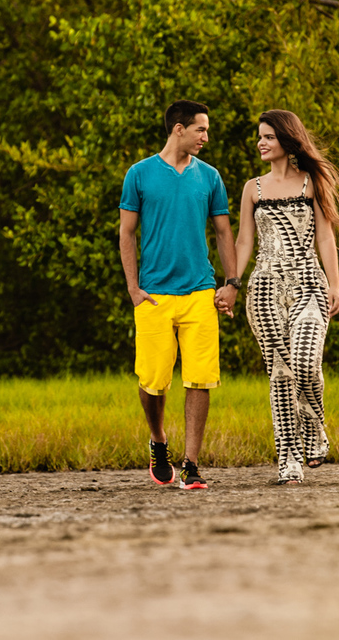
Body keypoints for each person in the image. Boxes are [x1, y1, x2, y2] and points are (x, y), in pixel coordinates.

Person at [119, 99, 240, 490]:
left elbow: (223, 233)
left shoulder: (210, 177)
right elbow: (126, 234)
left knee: (200, 379)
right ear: (178, 129)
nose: (206, 137)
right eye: (201, 129)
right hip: (153, 295)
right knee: (153, 382)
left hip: (200, 293)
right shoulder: (139, 175)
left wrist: (232, 282)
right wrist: (134, 288)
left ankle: (191, 463)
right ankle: (158, 441)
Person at [228, 109, 339, 485]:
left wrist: (334, 284)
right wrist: (231, 283)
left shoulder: (312, 181)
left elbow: (326, 237)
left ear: (286, 140)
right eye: (259, 137)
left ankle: (314, 423)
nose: (261, 143)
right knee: (279, 374)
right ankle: (288, 458)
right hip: (265, 285)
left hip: (309, 281)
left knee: (306, 361)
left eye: (268, 137)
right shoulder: (253, 188)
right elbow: (244, 239)